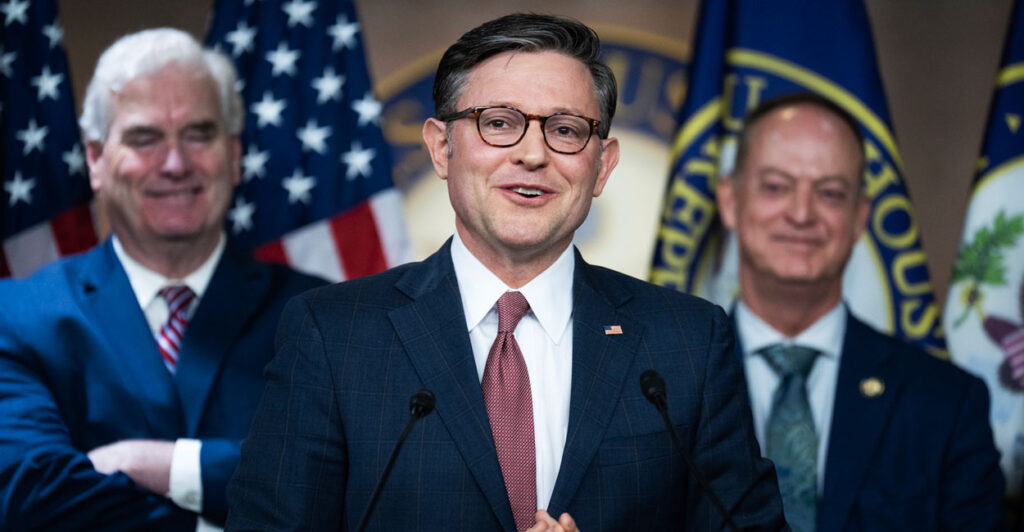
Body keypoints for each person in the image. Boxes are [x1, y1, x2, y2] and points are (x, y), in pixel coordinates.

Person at [226, 13, 785, 532]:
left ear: (602, 165)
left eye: (565, 130)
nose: (533, 154)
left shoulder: (688, 343)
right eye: (499, 123)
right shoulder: (335, 335)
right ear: (441, 148)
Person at [0, 28, 325, 531]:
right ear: (95, 159)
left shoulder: (325, 315)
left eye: (199, 135)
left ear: (235, 154)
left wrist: (158, 465)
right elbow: (30, 492)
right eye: (144, 138)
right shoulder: (15, 317)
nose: (175, 164)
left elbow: (347, 480)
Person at [715, 92, 1007, 531]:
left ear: (860, 217)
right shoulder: (660, 386)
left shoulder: (945, 404)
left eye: (830, 193)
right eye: (775, 187)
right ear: (730, 201)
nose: (801, 213)